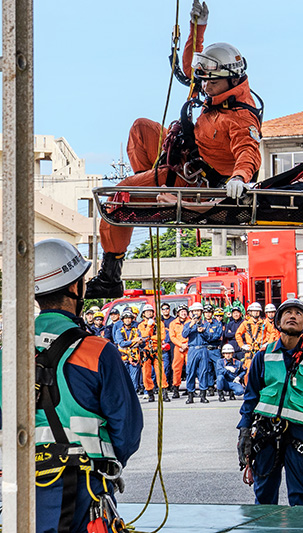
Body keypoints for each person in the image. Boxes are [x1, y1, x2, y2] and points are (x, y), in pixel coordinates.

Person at [85, 0, 262, 299]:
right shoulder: (215, 91)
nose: (203, 86)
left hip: (192, 179)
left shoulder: (240, 115)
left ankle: (110, 275)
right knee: (142, 128)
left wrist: (240, 178)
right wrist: (198, 27)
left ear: (229, 79)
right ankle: (149, 194)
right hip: (181, 157)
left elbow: (249, 151)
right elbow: (191, 66)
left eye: (210, 82)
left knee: (120, 197)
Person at [21, 239, 142, 532]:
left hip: (24, 489)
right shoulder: (97, 351)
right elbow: (127, 430)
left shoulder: (9, 352)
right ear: (76, 288)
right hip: (84, 488)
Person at [237, 298, 303, 506]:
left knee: (302, 498)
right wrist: (244, 431)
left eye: (298, 314)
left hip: (297, 435)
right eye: (287, 312)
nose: (292, 316)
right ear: (278, 321)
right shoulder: (263, 355)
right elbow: (251, 396)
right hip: (265, 433)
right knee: (264, 498)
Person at [138, 304, 170, 403]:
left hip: (156, 349)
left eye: (151, 311)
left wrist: (150, 338)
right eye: (147, 312)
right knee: (146, 374)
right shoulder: (141, 325)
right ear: (143, 314)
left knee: (160, 373)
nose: (149, 313)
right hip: (146, 350)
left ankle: (164, 393)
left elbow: (162, 336)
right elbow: (143, 336)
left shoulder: (159, 323)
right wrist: (149, 326)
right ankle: (150, 393)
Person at [183, 302, 211, 404]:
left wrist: (203, 331)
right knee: (190, 372)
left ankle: (203, 395)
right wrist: (191, 325)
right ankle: (190, 395)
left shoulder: (206, 324)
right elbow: (184, 334)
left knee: (203, 372)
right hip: (192, 349)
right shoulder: (188, 324)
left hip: (203, 348)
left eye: (198, 311)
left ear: (201, 312)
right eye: (194, 311)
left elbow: (209, 338)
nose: (196, 313)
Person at [115, 308, 144, 394]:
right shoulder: (119, 331)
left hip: (134, 357)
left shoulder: (136, 331)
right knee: (124, 377)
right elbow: (121, 343)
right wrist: (134, 341)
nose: (127, 320)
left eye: (129, 318)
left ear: (132, 319)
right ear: (123, 320)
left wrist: (141, 341)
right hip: (123, 357)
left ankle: (133, 394)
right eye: (126, 318)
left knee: (134, 378)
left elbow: (141, 342)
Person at [168, 304, 190, 398]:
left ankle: (190, 389)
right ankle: (176, 388)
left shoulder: (190, 322)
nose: (183, 313)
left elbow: (193, 335)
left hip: (189, 347)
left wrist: (186, 345)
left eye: (185, 311)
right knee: (176, 368)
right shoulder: (173, 323)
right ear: (178, 313)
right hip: (178, 347)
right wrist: (181, 345)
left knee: (190, 368)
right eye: (181, 311)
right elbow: (172, 337)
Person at [203, 304, 225, 395]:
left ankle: (220, 388)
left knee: (218, 369)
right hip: (206, 349)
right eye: (206, 312)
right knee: (208, 369)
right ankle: (210, 387)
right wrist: (210, 337)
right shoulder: (202, 323)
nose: (208, 314)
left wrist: (208, 337)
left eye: (209, 312)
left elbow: (218, 335)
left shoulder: (217, 323)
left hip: (215, 349)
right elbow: (201, 336)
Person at [160, 302, 176, 384]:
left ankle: (172, 382)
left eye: (167, 308)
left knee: (173, 363)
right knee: (165, 365)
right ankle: (165, 382)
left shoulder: (173, 320)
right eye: (163, 309)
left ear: (169, 310)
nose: (165, 310)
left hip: (172, 343)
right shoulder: (159, 320)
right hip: (163, 344)